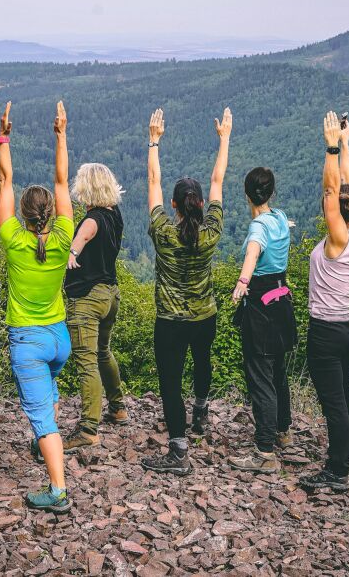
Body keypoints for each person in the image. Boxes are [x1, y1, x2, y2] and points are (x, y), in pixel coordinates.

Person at [142, 106, 231, 476]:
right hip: (205, 316)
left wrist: (154, 141)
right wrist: (224, 139)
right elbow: (217, 180)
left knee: (170, 383)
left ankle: (179, 452)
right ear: (201, 204)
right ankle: (201, 409)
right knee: (203, 361)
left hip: (171, 321)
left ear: (174, 205)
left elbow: (153, 182)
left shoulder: (163, 232)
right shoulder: (211, 233)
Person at [0, 101, 75, 513]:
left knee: (42, 417)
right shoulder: (64, 236)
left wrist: (4, 136)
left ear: (24, 216)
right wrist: (61, 134)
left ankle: (58, 491)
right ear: (51, 214)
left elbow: (5, 180)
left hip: (28, 341)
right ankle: (46, 441)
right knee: (49, 395)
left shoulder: (13, 239)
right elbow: (62, 182)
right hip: (59, 338)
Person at [297, 112, 349, 492]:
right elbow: (347, 186)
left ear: (339, 213)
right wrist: (346, 144)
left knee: (333, 401)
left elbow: (331, 191)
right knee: (347, 391)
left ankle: (337, 470)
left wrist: (331, 147)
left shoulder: (339, 239)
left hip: (325, 330)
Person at [226, 164, 296, 474]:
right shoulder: (279, 217)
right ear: (271, 192)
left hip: (261, 307)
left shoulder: (258, 227)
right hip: (281, 301)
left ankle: (265, 451)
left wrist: (243, 281)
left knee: (260, 377)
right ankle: (283, 430)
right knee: (277, 370)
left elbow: (253, 252)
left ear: (247, 195)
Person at [62, 163, 127, 453]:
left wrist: (72, 252)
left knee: (87, 362)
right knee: (103, 352)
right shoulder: (115, 215)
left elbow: (86, 233)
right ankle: (118, 407)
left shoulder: (94, 218)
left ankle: (88, 429)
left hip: (87, 298)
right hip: (110, 294)